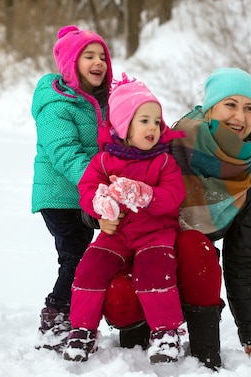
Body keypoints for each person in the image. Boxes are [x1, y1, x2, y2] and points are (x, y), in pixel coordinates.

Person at [99, 67, 251, 370]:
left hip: (192, 270)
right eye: (230, 104)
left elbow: (242, 260)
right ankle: (134, 353)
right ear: (209, 109)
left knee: (193, 243)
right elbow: (105, 189)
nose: (240, 117)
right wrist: (99, 219)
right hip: (141, 261)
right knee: (121, 295)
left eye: (249, 108)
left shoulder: (250, 181)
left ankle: (205, 357)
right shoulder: (168, 147)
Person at [63, 74, 187, 364]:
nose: (153, 128)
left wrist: (145, 195)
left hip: (155, 234)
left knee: (154, 270)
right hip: (115, 235)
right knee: (89, 268)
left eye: (157, 121)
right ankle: (82, 329)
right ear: (123, 124)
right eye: (144, 120)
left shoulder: (164, 161)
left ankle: (167, 333)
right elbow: (88, 189)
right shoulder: (104, 161)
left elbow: (173, 195)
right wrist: (101, 203)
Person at [31, 25, 113, 349]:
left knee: (84, 256)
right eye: (88, 56)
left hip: (85, 195)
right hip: (59, 195)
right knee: (75, 257)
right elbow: (65, 153)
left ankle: (76, 316)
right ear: (70, 65)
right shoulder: (57, 103)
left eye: (102, 56)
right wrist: (99, 186)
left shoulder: (100, 101)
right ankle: (56, 319)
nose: (98, 62)